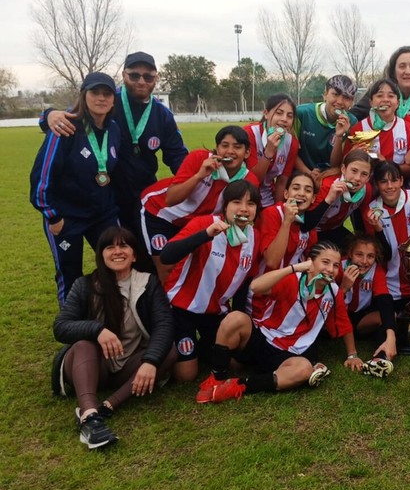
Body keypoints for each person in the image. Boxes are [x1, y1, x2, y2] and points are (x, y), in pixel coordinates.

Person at [52, 227, 177, 450]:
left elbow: (164, 325)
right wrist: (97, 330)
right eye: (110, 247)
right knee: (83, 345)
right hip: (91, 365)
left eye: (124, 246)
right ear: (101, 255)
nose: (117, 252)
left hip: (127, 366)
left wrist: (150, 361)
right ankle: (89, 417)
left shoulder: (148, 283)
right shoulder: (85, 284)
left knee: (168, 351)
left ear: (135, 255)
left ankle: (109, 405)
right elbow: (61, 327)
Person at [41, 52, 188, 239]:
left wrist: (196, 181)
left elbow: (177, 156)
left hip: (142, 195)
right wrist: (49, 115)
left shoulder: (162, 114)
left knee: (141, 252)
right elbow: (73, 117)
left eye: (148, 76)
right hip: (107, 198)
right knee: (114, 252)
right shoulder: (108, 100)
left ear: (156, 79)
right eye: (134, 75)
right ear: (124, 75)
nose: (141, 81)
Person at [195, 242, 365, 403]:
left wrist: (353, 355)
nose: (330, 269)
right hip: (263, 338)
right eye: (325, 262)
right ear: (310, 263)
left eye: (335, 265)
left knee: (304, 369)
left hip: (289, 353)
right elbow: (256, 287)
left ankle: (237, 386)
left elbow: (343, 323)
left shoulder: (334, 291)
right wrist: (293, 268)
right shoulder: (293, 279)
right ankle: (216, 378)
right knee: (235, 318)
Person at [31, 72, 122, 305]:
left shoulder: (113, 129)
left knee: (118, 265)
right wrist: (53, 216)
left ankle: (117, 320)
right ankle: (73, 332)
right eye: (95, 92)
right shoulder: (65, 127)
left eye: (107, 93)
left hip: (102, 214)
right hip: (66, 217)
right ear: (84, 95)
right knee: (69, 274)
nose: (101, 98)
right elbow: (41, 178)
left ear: (113, 99)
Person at [159, 180, 262, 382]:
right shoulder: (205, 224)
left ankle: (204, 347)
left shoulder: (254, 237)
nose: (243, 208)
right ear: (225, 206)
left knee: (235, 364)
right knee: (186, 376)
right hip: (181, 308)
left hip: (215, 311)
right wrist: (206, 235)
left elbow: (243, 284)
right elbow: (167, 256)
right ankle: (169, 343)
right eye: (236, 202)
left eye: (251, 204)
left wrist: (235, 318)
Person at [141, 125, 259, 281]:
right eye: (224, 145)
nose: (230, 151)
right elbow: (171, 199)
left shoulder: (249, 180)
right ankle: (164, 304)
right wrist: (199, 176)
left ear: (247, 153)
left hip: (196, 224)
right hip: (160, 214)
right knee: (167, 268)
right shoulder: (199, 158)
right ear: (217, 148)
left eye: (237, 147)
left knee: (193, 269)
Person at [360, 161, 410, 305]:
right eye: (384, 182)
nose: (389, 187)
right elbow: (383, 255)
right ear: (376, 184)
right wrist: (377, 228)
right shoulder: (371, 210)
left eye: (394, 180)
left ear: (401, 180)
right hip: (390, 283)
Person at [351, 45, 410, 136]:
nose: (408, 72)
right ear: (394, 71)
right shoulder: (378, 97)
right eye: (402, 66)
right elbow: (352, 118)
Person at [338, 234, 398, 376]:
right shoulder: (338, 266)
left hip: (358, 320)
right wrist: (344, 288)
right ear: (350, 254)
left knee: (389, 316)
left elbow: (385, 300)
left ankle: (382, 356)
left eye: (370, 256)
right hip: (333, 320)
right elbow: (327, 305)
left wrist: (391, 336)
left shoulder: (376, 269)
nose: (364, 261)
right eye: (359, 254)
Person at [294, 75, 358, 183]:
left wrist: (339, 136)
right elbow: (290, 152)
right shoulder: (302, 113)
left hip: (330, 179)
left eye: (346, 98)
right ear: (325, 94)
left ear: (351, 102)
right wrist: (309, 174)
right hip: (300, 176)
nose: (340, 101)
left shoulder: (352, 122)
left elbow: (335, 164)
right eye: (336, 94)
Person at [307, 150, 374, 248]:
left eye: (364, 174)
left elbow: (363, 218)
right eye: (354, 171)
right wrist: (329, 199)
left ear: (368, 178)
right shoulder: (328, 186)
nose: (357, 178)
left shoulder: (366, 189)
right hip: (313, 231)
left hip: (336, 229)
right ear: (343, 169)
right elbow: (307, 223)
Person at [244, 94, 300, 208]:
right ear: (266, 113)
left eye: (289, 116)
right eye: (279, 113)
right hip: (242, 193)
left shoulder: (292, 143)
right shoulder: (250, 133)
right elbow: (254, 180)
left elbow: (281, 182)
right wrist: (269, 152)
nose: (284, 119)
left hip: (266, 197)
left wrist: (277, 209)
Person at [259, 171, 318, 270]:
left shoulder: (310, 224)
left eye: (308, 190)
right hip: (262, 280)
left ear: (313, 198)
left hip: (290, 282)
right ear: (286, 194)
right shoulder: (272, 213)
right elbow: (272, 261)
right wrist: (287, 221)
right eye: (296, 188)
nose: (301, 194)